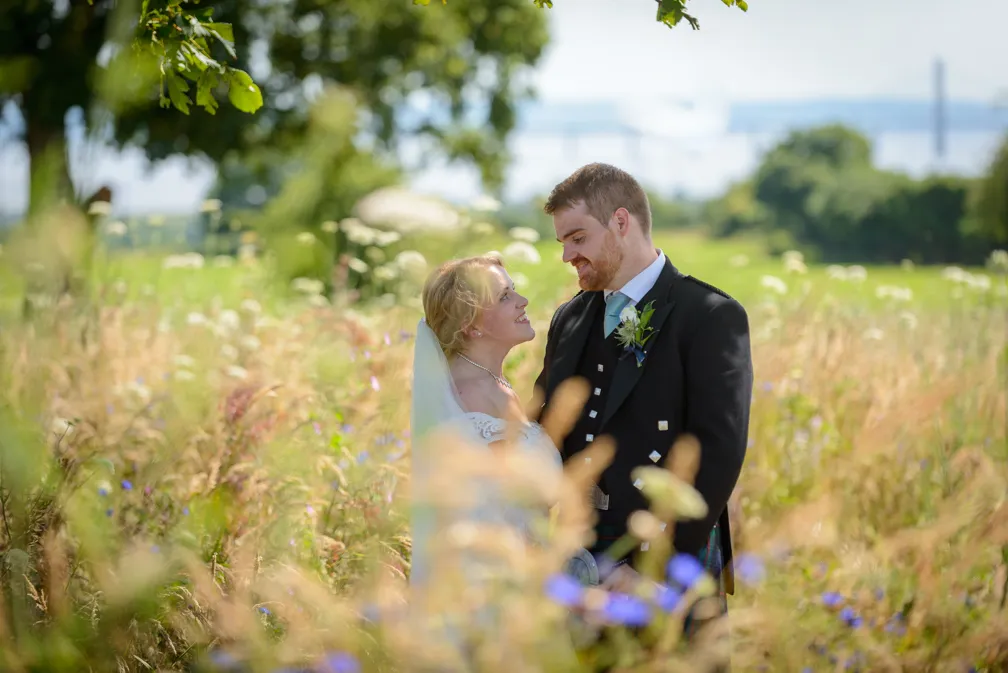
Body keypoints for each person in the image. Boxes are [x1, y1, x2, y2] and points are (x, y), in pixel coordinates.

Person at [533, 163, 753, 642]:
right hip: (584, 558)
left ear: (620, 222)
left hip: (672, 556)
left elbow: (717, 452)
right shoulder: (570, 317)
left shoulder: (710, 316)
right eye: (563, 243)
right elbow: (543, 426)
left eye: (577, 238)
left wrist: (657, 569)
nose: (568, 255)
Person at [408, 253, 591, 669]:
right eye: (506, 296)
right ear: (472, 323)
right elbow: (493, 507)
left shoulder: (494, 384)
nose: (523, 300)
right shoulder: (468, 395)